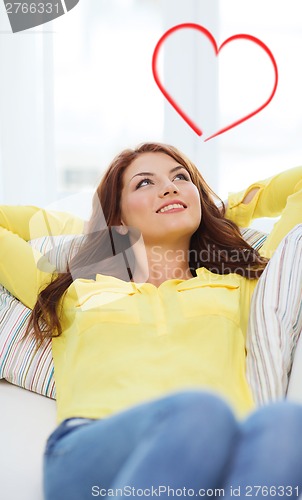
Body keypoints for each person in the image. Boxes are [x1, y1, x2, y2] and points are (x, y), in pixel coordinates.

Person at [0, 142, 302, 500]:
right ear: (119, 216)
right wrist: (95, 229)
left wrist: (213, 210)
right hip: (94, 451)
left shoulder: (240, 285)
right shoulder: (73, 291)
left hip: (222, 456)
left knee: (287, 425)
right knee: (200, 412)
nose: (170, 186)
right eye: (145, 183)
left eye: (180, 177)